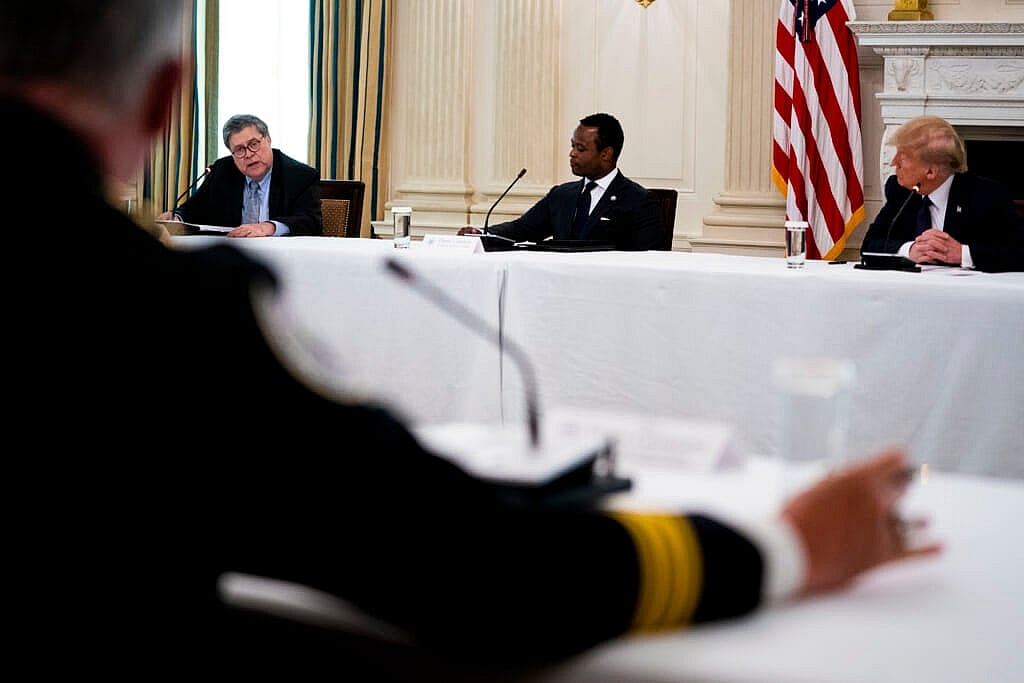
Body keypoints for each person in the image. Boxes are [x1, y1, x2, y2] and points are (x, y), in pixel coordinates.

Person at [1, 2, 940, 677]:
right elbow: (482, 577)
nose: (574, 155)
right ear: (166, 100)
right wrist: (782, 547)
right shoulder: (162, 318)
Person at [459, 113, 664, 250]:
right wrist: (482, 233)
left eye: (580, 149)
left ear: (606, 154)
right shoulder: (562, 195)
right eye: (572, 146)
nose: (572, 154)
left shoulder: (640, 201)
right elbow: (523, 228)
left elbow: (647, 261)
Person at [861, 115, 1024, 272]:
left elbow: (1017, 251)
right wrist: (909, 250)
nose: (893, 162)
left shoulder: (986, 195)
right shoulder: (900, 191)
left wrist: (962, 253)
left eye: (902, 157)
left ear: (930, 172)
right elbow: (869, 245)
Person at [157, 113, 322, 237]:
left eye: (253, 144)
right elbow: (193, 209)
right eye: (240, 149)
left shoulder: (300, 176)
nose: (249, 154)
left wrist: (268, 227)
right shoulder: (222, 170)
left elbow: (310, 222)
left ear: (268, 140)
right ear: (232, 153)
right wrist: (176, 218)